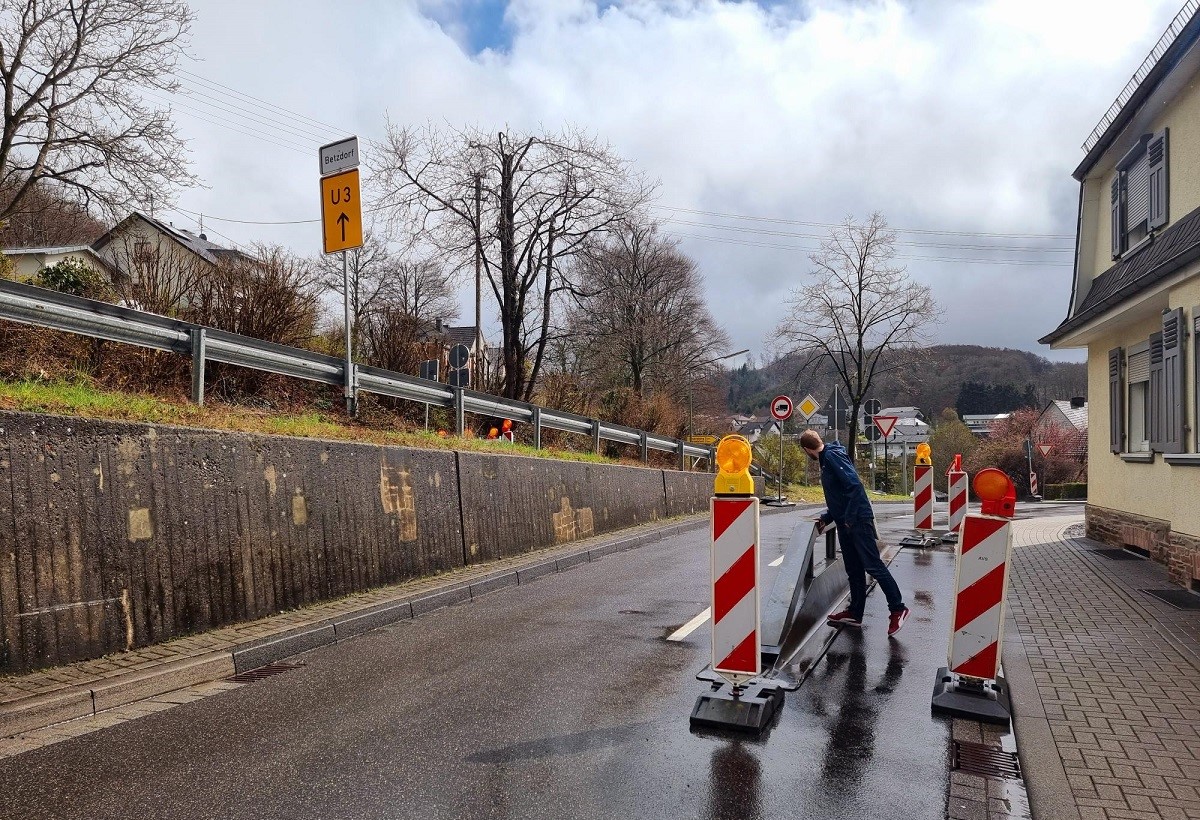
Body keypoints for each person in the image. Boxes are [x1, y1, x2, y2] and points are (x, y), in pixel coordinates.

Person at [800, 429, 910, 636]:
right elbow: (839, 496)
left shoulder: (831, 457)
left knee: (873, 566)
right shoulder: (828, 458)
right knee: (854, 570)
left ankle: (898, 608)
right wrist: (827, 517)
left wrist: (849, 520)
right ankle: (854, 613)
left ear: (807, 449)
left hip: (857, 520)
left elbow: (855, 487)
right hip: (846, 522)